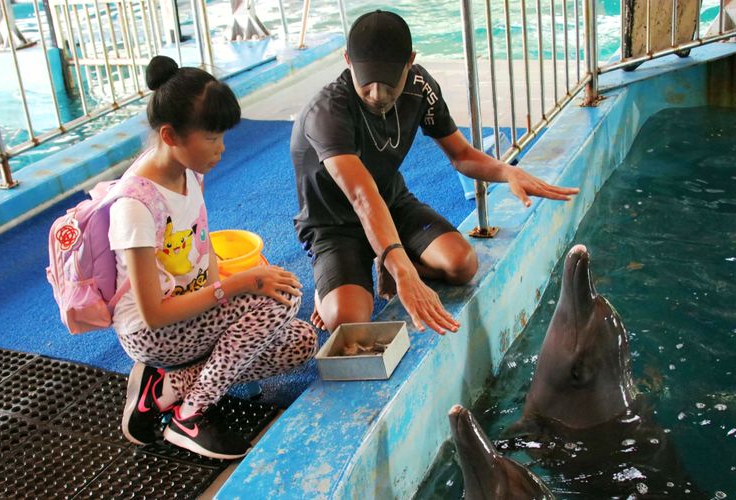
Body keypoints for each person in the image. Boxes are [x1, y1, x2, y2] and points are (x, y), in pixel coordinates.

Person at [290, 10, 579, 336]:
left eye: (387, 84)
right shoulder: (327, 111)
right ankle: (329, 285)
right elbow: (360, 196)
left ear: (410, 62)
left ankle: (384, 259)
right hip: (334, 225)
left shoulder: (420, 87)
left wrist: (505, 171)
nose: (376, 95)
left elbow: (461, 154)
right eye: (366, 83)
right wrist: (402, 272)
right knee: (348, 320)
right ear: (347, 60)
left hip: (391, 203)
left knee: (462, 265)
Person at [110, 55, 317, 460]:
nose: (222, 149)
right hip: (155, 334)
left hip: (191, 321)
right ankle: (189, 416)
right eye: (211, 137)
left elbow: (200, 250)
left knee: (300, 342)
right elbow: (152, 313)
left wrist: (241, 281)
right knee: (284, 294)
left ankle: (168, 387)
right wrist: (239, 287)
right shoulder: (135, 206)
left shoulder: (188, 171)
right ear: (170, 136)